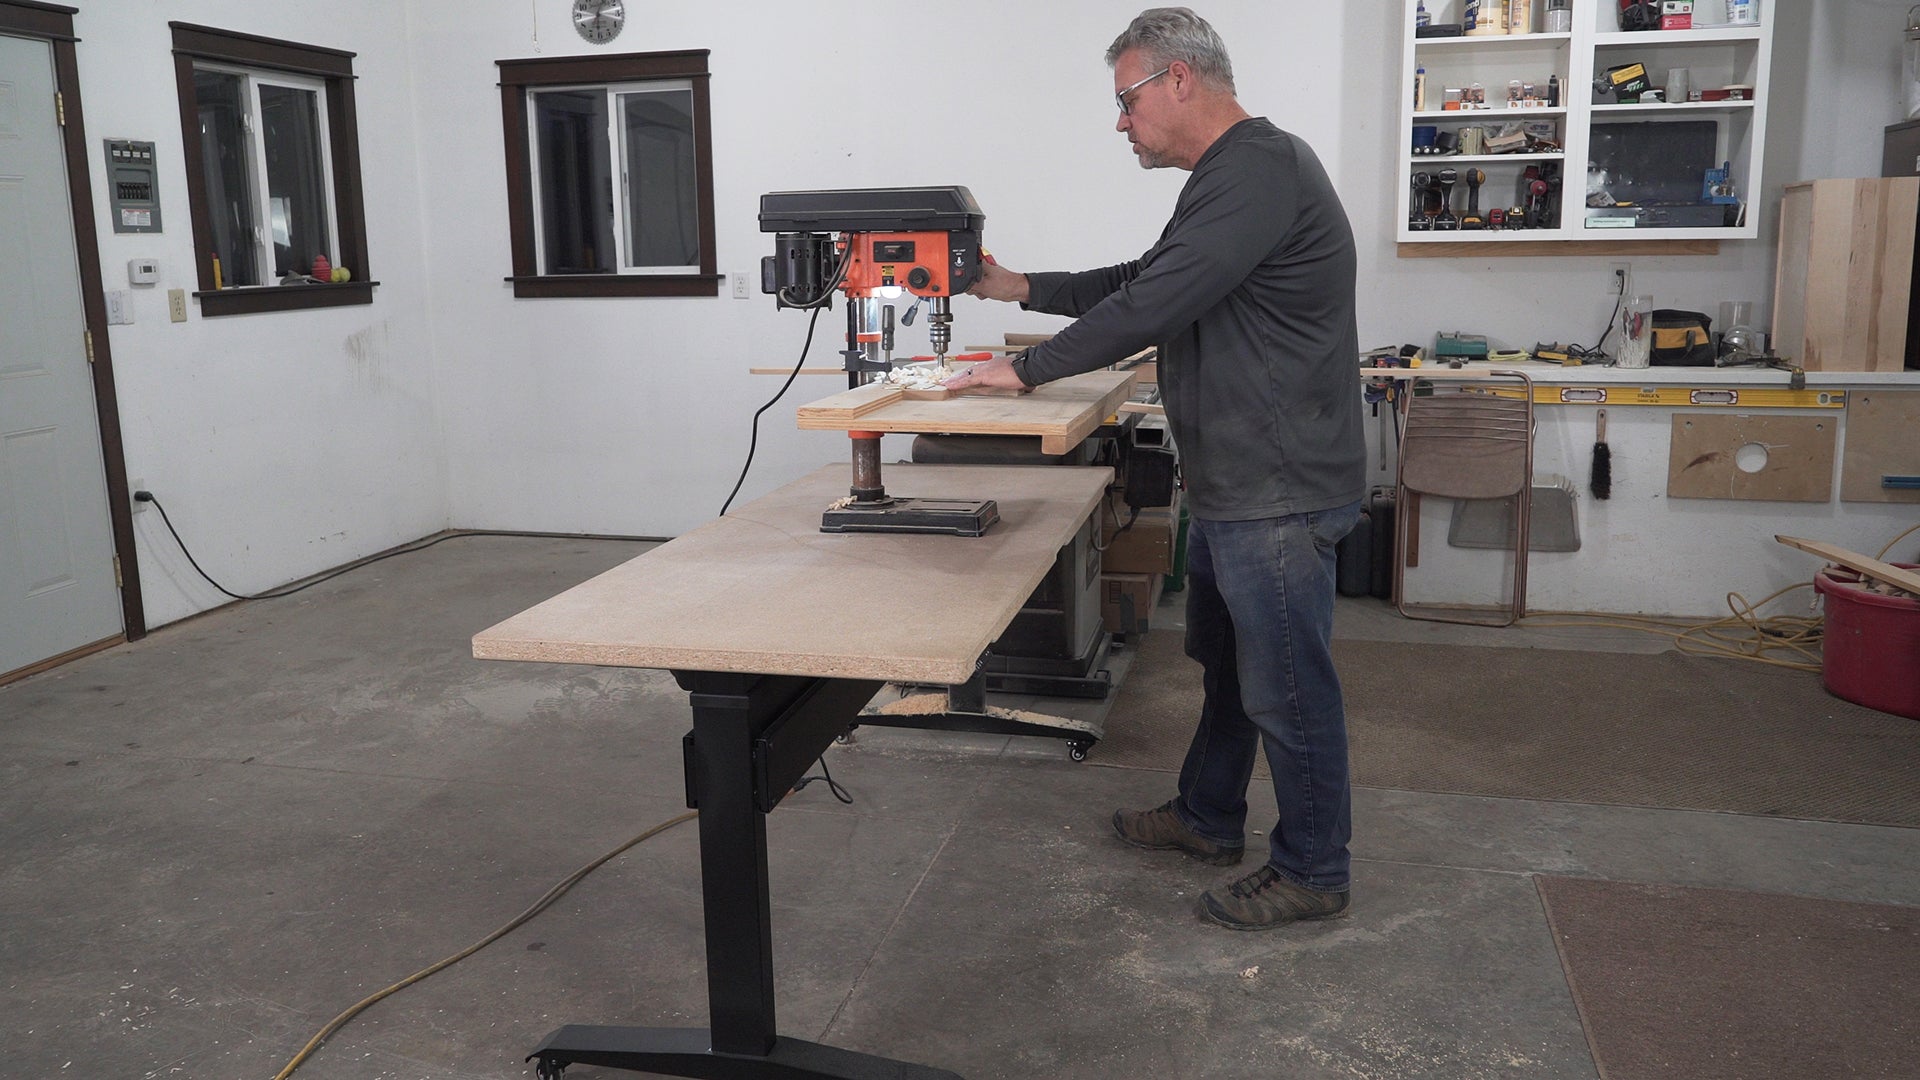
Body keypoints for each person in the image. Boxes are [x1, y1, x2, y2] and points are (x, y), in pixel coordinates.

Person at [945, 7, 1366, 930]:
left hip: (1278, 486)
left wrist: (1023, 369)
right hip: (1239, 482)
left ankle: (1315, 869)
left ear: (1180, 78)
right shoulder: (1231, 179)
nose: (1121, 122)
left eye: (1127, 99)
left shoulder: (1259, 166)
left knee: (1289, 684)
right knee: (1231, 667)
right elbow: (1148, 275)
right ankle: (1210, 816)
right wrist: (1022, 291)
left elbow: (1157, 300)